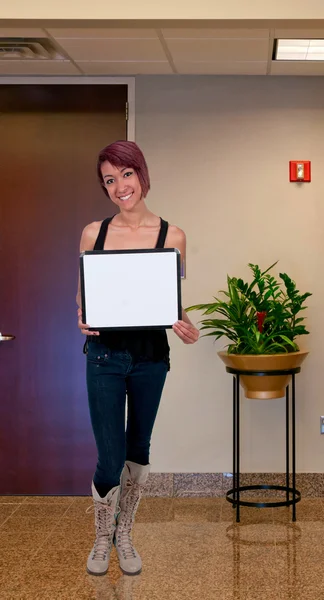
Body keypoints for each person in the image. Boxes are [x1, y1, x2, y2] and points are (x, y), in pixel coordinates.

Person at [76, 140, 199, 577]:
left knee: (137, 451)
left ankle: (124, 533)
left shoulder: (174, 236)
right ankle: (101, 536)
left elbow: (172, 304)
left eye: (126, 174)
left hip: (151, 358)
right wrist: (82, 317)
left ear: (142, 175)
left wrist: (186, 328)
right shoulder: (95, 234)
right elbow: (82, 299)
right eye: (110, 179)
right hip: (104, 356)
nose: (119, 186)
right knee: (108, 456)